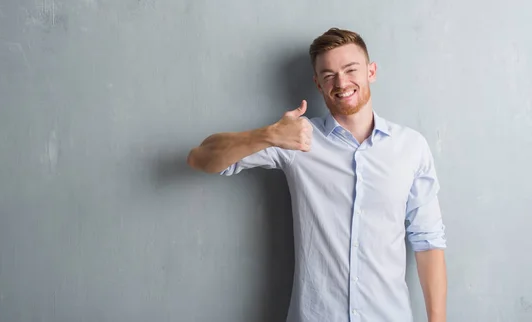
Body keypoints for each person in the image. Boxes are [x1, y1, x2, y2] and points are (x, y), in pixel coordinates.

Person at [186, 27, 447, 322]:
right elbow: (200, 157)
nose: (341, 82)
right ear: (318, 84)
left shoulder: (411, 147)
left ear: (371, 72)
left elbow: (428, 241)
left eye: (351, 70)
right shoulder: (295, 138)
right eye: (329, 75)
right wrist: (268, 134)